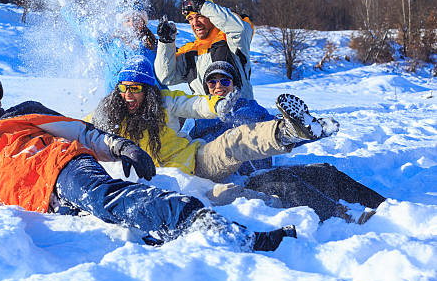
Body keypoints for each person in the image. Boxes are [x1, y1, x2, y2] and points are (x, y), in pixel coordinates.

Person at [0, 61, 296, 251]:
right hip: (42, 201)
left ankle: (217, 227)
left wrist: (121, 147)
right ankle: (175, 235)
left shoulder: (22, 113)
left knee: (107, 199)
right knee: (112, 222)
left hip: (62, 166)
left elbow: (78, 130)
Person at [91, 57, 385, 222]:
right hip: (184, 180)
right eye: (124, 88)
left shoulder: (166, 103)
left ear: (149, 91)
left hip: (202, 159)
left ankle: (289, 130)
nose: (130, 94)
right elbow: (84, 132)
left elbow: (193, 104)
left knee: (235, 142)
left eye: (137, 88)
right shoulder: (108, 119)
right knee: (258, 196)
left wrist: (216, 106)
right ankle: (339, 214)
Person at [154, 0, 255, 99]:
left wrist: (203, 6)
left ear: (211, 15)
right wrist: (166, 42)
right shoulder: (189, 52)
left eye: (200, 16)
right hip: (205, 115)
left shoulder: (231, 40)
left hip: (241, 113)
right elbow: (165, 77)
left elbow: (240, 29)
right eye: (190, 18)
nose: (195, 23)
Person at [181, 61, 275, 175]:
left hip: (258, 175)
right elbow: (185, 147)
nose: (218, 86)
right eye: (212, 82)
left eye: (225, 81)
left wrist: (292, 128)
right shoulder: (197, 115)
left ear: (234, 84)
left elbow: (276, 131)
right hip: (218, 178)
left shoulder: (250, 108)